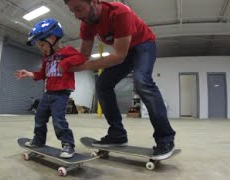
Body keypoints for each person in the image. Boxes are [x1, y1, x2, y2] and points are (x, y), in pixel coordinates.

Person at [63, 0, 176, 160]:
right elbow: (84, 55)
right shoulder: (86, 23)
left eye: (79, 9)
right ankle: (117, 134)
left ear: (94, 2)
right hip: (125, 50)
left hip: (144, 44)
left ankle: (165, 139)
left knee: (141, 81)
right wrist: (64, 60)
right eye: (72, 11)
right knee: (102, 84)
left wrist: (83, 66)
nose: (76, 16)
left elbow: (119, 56)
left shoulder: (120, 12)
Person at [15, 18, 86, 158]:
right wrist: (30, 73)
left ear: (52, 38)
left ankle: (68, 145)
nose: (41, 49)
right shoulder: (46, 58)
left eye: (42, 45)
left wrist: (65, 63)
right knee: (39, 117)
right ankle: (39, 140)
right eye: (39, 46)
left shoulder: (67, 51)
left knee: (58, 120)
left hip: (62, 93)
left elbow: (81, 58)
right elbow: (43, 74)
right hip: (48, 93)